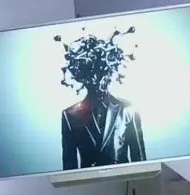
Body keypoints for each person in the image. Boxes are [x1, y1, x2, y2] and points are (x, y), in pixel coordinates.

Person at [56, 28, 146, 170]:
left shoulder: (128, 110)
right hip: (90, 183)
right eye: (92, 72)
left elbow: (141, 163)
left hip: (123, 181)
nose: (98, 79)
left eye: (102, 71)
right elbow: (69, 170)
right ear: (81, 74)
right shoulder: (69, 116)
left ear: (110, 70)